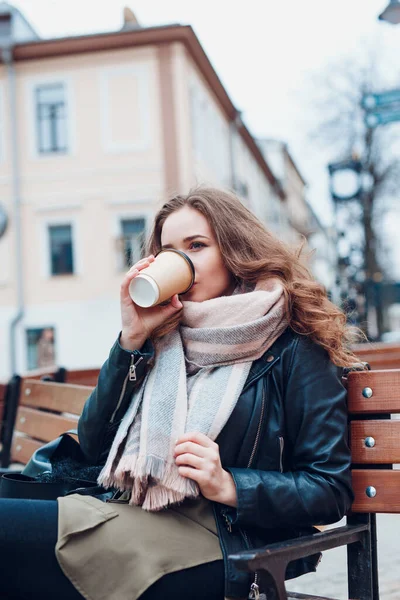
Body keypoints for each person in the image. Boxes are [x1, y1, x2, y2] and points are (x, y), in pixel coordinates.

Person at [0, 187, 360, 600]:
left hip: (228, 541)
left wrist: (229, 484)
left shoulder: (294, 344)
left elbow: (330, 489)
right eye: (169, 250)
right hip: (128, 511)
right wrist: (130, 342)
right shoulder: (162, 337)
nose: (182, 261)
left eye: (197, 246)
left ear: (234, 251)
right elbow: (95, 447)